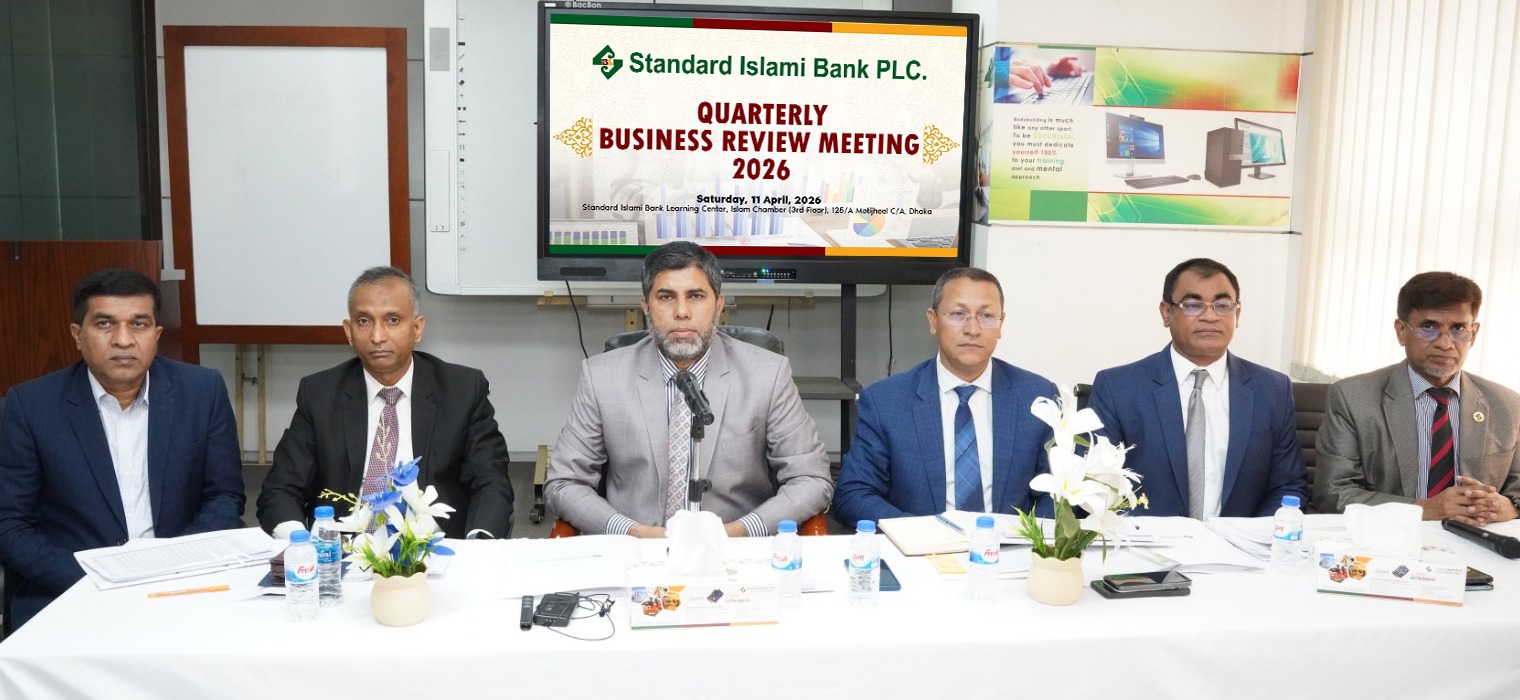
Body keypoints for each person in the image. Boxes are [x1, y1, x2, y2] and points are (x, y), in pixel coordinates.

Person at [0, 269, 244, 629]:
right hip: (72, 590)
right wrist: (93, 581)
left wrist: (174, 567)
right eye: (105, 324)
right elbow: (9, 523)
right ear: (77, 335)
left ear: (156, 334)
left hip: (181, 584)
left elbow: (224, 497)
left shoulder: (202, 391)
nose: (123, 340)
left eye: (139, 324)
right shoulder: (31, 405)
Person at [544, 241, 832, 538]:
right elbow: (565, 483)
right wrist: (632, 532)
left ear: (718, 304)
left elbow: (811, 479)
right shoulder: (601, 376)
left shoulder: (768, 374)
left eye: (695, 296)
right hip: (635, 548)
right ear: (646, 306)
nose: (681, 311)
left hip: (735, 548)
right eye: (666, 297)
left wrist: (737, 532)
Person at [257, 267, 513, 539]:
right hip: (344, 550)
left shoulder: (462, 390)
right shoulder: (320, 394)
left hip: (437, 547)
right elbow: (281, 489)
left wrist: (478, 547)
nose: (377, 336)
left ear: (417, 328)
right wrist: (302, 545)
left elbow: (491, 481)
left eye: (393, 320)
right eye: (364, 321)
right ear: (349, 331)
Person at [832, 268, 1055, 526]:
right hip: (920, 546)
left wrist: (1026, 537)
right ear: (933, 320)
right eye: (958, 314)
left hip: (1009, 546)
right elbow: (853, 494)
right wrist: (925, 533)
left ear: (1000, 324)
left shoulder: (1037, 397)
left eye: (986, 316)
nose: (973, 329)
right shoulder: (886, 401)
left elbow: (1058, 495)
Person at [1088, 258, 1307, 518]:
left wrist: (1251, 537)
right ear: (1166, 313)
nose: (1210, 316)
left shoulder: (1272, 390)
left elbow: (1287, 486)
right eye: (1193, 305)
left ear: (1237, 314)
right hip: (1144, 540)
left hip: (1239, 542)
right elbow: (1096, 487)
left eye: (1223, 305)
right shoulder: (1118, 388)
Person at [1316, 272, 1520, 523]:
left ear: (1473, 334)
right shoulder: (1353, 398)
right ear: (1401, 331)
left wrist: (1509, 506)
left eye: (1458, 329)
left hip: (1476, 540)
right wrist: (1424, 509)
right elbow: (1332, 493)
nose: (1445, 344)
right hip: (1390, 538)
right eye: (1428, 328)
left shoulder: (1508, 405)